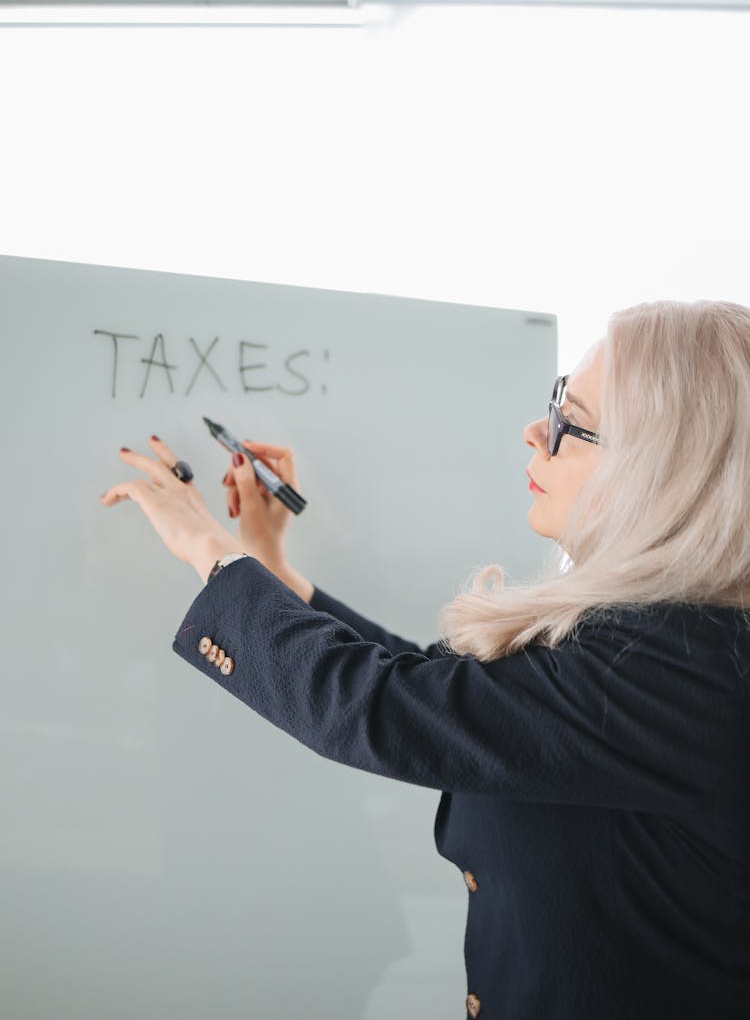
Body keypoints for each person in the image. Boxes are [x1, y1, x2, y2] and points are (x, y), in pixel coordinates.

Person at [102, 299, 750, 1019]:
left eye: (572, 421)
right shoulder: (668, 638)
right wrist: (273, 569)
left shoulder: (680, 661)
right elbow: (453, 696)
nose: (538, 430)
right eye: (555, 400)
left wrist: (210, 550)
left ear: (661, 471)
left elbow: (387, 706)